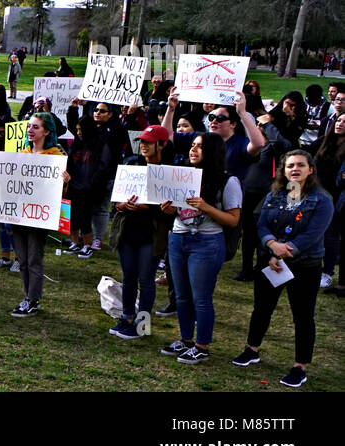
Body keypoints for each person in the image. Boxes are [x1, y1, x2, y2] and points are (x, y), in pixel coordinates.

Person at [227, 150, 333, 386]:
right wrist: (272, 246)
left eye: (300, 165)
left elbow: (314, 234)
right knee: (262, 308)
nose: (294, 169)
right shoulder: (274, 194)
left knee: (303, 316)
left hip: (305, 265)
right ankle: (252, 350)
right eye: (290, 165)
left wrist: (286, 251)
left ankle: (300, 366)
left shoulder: (322, 199)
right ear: (283, 171)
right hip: (272, 261)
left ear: (311, 169)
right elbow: (261, 223)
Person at [163, 90, 266, 280]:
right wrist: (171, 109)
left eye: (220, 118)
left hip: (224, 207)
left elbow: (258, 143)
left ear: (233, 124)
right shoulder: (200, 139)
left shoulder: (240, 143)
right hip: (192, 208)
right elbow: (167, 137)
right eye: (211, 117)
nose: (214, 120)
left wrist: (243, 112)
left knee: (217, 252)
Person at [159, 132, 243, 364]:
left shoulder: (228, 181)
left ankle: (202, 346)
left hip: (206, 243)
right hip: (178, 238)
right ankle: (186, 341)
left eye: (200, 147)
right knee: (182, 296)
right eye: (192, 145)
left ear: (213, 152)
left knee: (201, 298)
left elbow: (233, 220)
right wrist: (169, 209)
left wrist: (206, 207)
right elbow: (176, 208)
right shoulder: (182, 175)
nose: (193, 150)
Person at [0, 113, 67, 317]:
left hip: (39, 215)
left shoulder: (56, 157)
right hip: (19, 214)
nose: (30, 130)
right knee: (22, 259)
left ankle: (33, 299)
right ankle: (27, 296)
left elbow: (60, 194)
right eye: (29, 126)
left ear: (47, 131)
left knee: (34, 258)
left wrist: (65, 182)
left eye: (36, 127)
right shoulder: (22, 153)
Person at [108, 126, 173, 337]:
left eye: (149, 141)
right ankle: (127, 316)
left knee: (145, 279)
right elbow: (115, 203)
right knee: (128, 277)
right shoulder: (130, 165)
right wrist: (122, 206)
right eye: (142, 141)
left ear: (162, 144)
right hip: (128, 232)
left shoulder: (170, 173)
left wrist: (150, 207)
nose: (143, 145)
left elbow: (171, 211)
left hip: (151, 234)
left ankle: (142, 324)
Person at [65, 100, 129, 257]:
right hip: (75, 184)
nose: (97, 113)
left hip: (91, 185)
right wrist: (74, 108)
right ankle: (75, 241)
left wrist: (94, 183)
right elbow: (74, 125)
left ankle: (90, 242)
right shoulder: (77, 144)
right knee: (73, 216)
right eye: (96, 110)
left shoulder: (102, 140)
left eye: (102, 110)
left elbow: (103, 164)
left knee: (88, 215)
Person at [315, 119, 345, 295]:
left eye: (344, 122)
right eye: (339, 120)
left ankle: (327, 272)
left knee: (331, 236)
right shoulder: (325, 141)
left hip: (337, 198)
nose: (340, 124)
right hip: (318, 193)